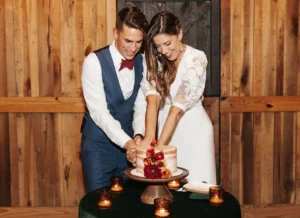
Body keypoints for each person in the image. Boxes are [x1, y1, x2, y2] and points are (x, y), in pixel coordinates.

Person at [139, 11, 216, 185]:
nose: (163, 51)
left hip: (193, 130)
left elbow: (176, 111)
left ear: (179, 33)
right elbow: (152, 100)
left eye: (167, 43)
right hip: (164, 130)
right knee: (166, 191)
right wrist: (150, 138)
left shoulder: (196, 59)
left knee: (195, 187)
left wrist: (158, 150)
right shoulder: (154, 57)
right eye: (158, 46)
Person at [80, 6, 148, 192]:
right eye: (128, 41)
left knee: (128, 205)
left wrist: (138, 136)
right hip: (98, 148)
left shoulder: (143, 62)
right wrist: (127, 143)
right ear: (115, 33)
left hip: (130, 150)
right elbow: (99, 112)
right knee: (99, 203)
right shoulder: (93, 62)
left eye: (138, 42)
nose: (133, 48)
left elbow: (141, 105)